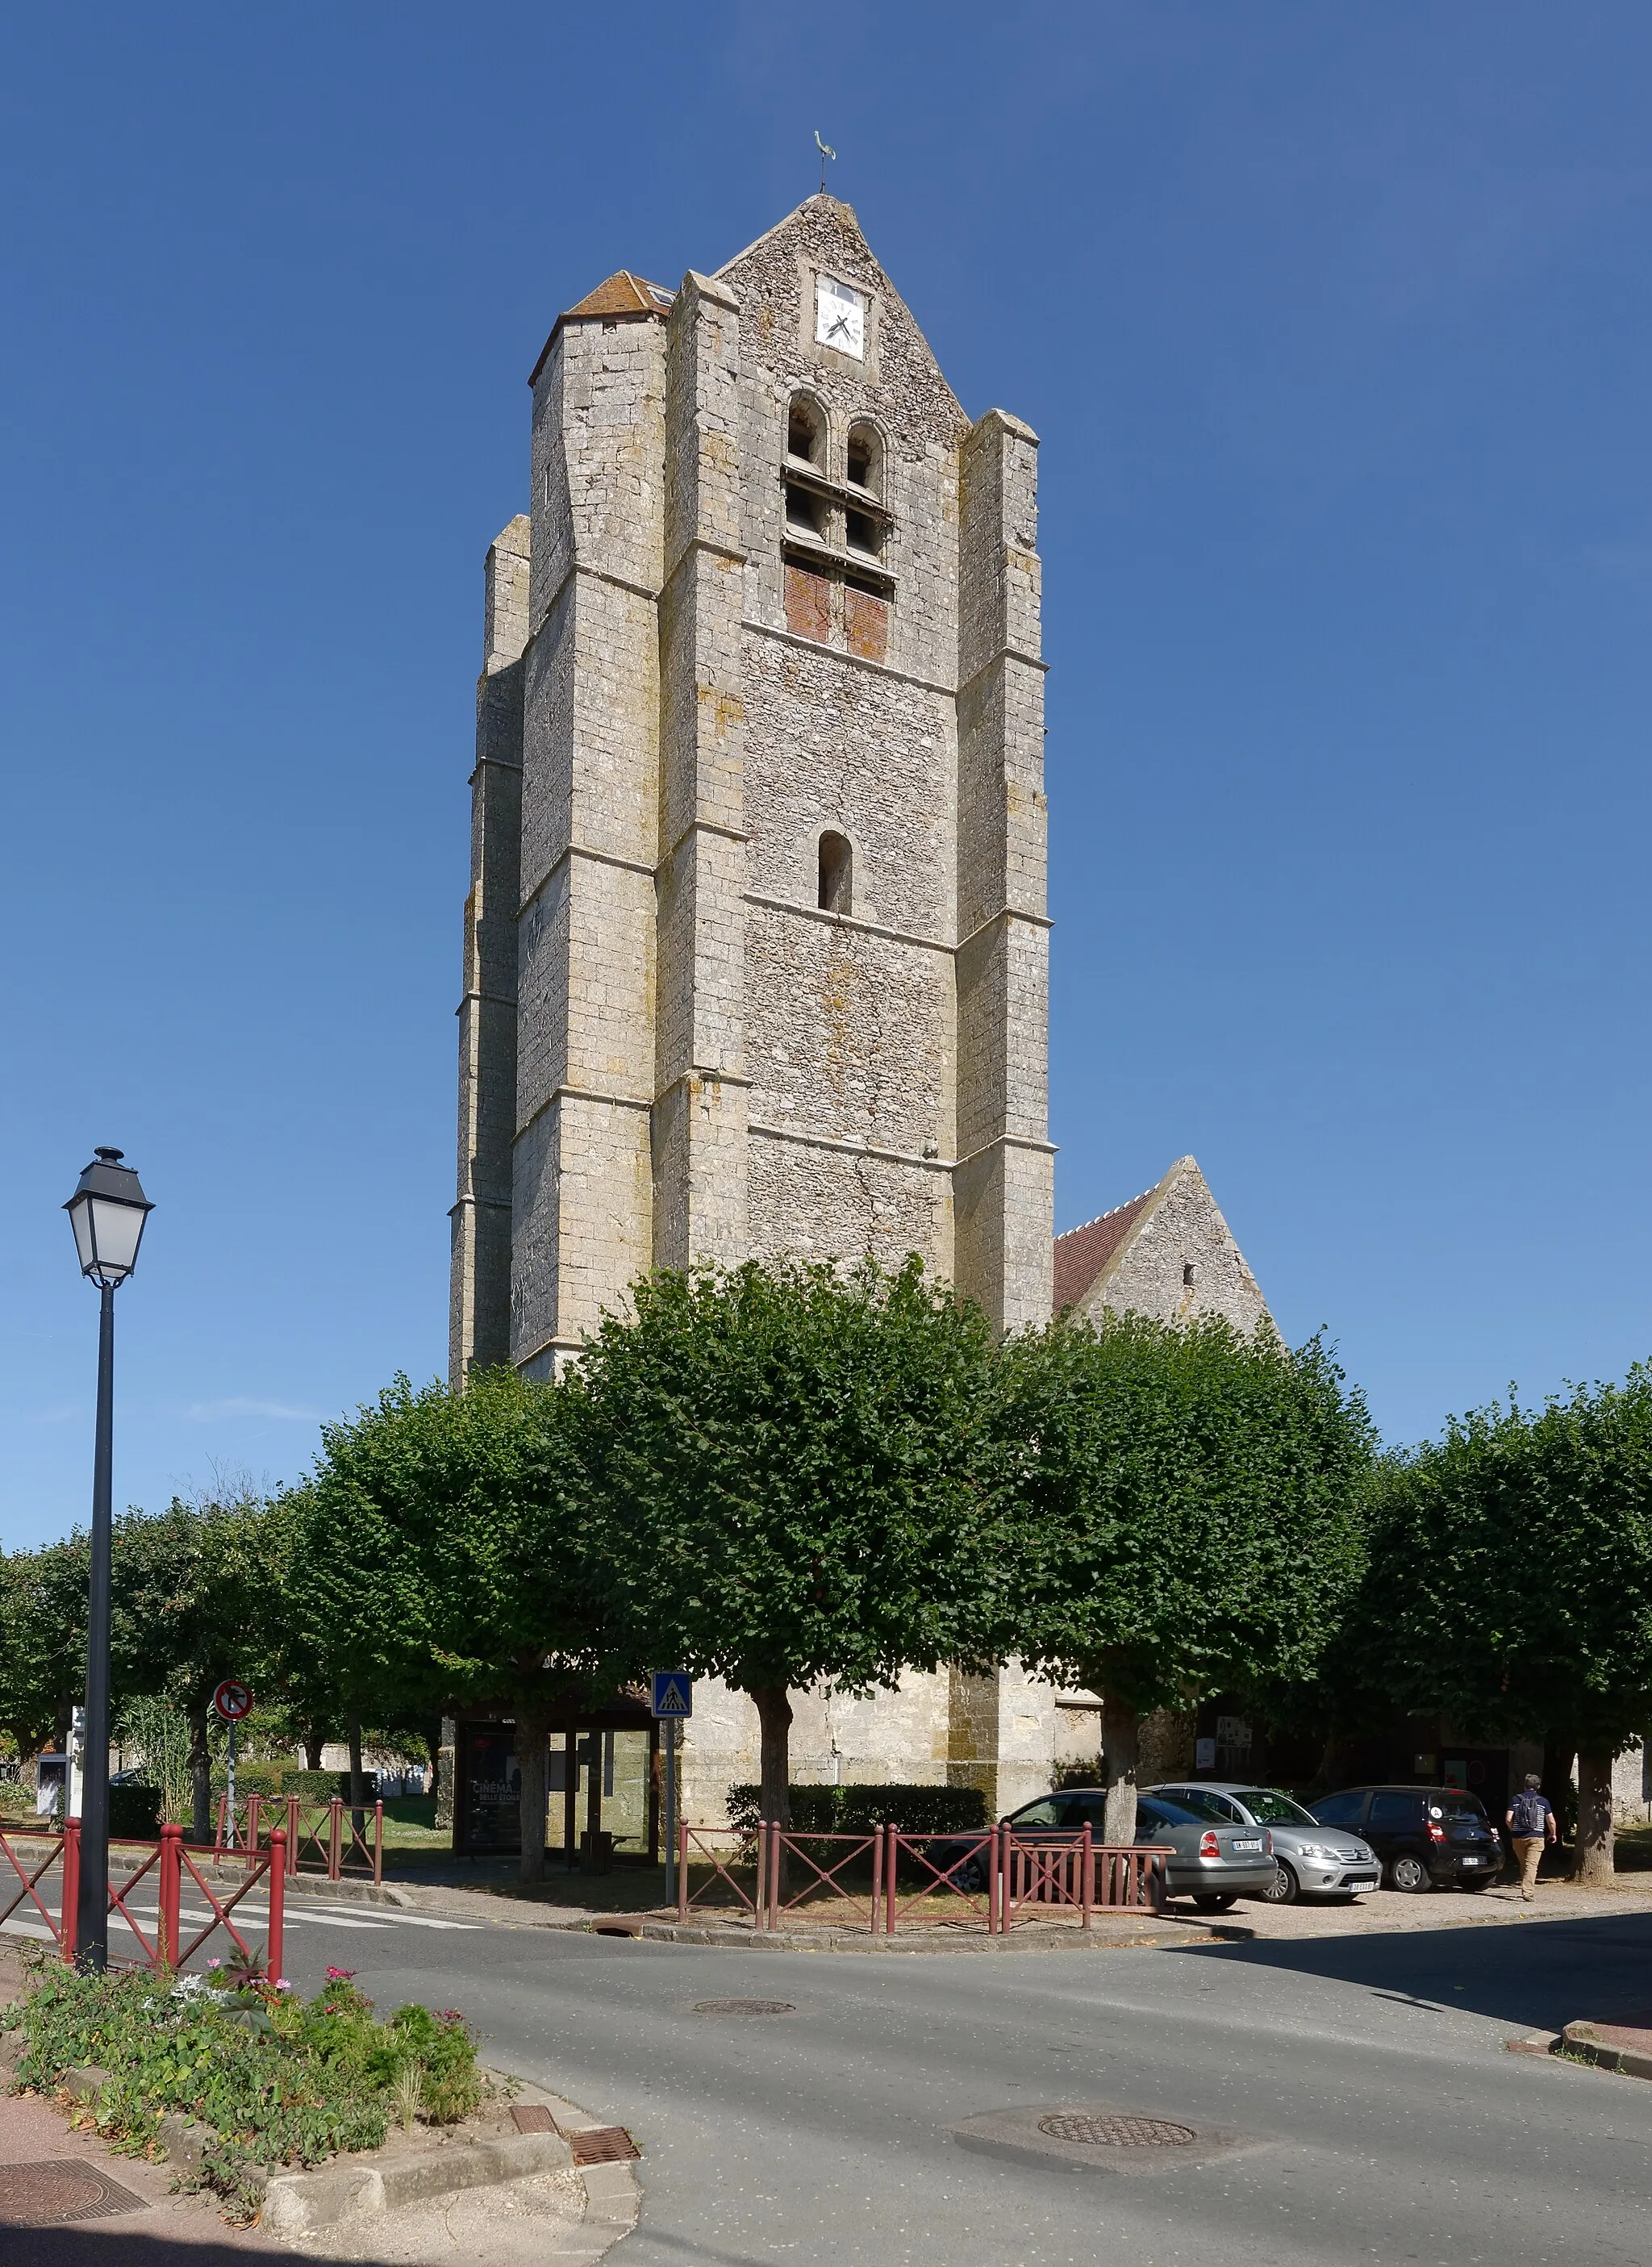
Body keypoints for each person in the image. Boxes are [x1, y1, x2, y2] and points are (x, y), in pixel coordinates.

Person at [1504, 1773, 1557, 1900]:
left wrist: (1514, 1830)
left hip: (1518, 1837)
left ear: (1525, 1786)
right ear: (1538, 1786)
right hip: (1536, 1837)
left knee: (1524, 1865)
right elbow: (1551, 1821)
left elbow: (1508, 1819)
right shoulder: (1543, 1802)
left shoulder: (1515, 1799)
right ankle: (1527, 1892)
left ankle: (1525, 1887)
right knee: (1531, 1865)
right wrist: (1553, 1833)